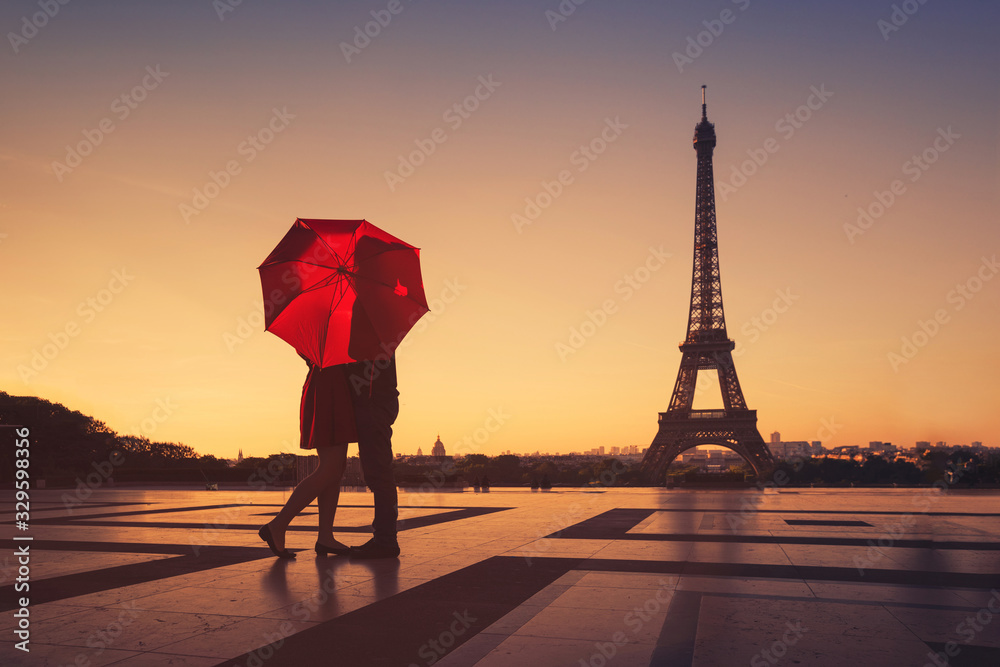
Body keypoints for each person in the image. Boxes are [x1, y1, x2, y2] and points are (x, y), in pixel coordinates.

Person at [258, 360, 356, 559]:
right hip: (329, 389)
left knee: (335, 470)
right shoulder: (327, 337)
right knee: (330, 468)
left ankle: (325, 536)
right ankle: (278, 525)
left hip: (332, 387)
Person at [344, 354, 401, 559]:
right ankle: (384, 537)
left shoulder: (369, 341)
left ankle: (385, 540)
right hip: (377, 404)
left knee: (379, 476)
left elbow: (367, 376)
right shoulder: (378, 334)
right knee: (379, 475)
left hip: (373, 406)